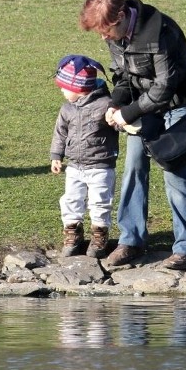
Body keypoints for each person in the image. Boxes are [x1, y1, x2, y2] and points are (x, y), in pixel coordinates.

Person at [79, 0, 186, 271]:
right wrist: (116, 104)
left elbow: (164, 88)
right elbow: (123, 75)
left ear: (122, 16)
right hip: (141, 104)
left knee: (176, 175)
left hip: (179, 104)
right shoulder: (117, 33)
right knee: (134, 167)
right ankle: (131, 241)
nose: (103, 37)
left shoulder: (162, 33)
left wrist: (128, 113)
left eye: (105, 30)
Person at [50, 54, 118, 259]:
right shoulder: (67, 109)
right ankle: (72, 235)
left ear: (79, 88)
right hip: (75, 166)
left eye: (65, 87)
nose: (62, 91)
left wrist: (119, 120)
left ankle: (99, 237)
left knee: (100, 202)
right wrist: (56, 155)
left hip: (100, 166)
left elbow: (119, 126)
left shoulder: (106, 105)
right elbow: (60, 133)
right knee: (71, 199)